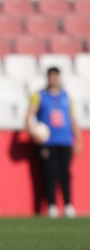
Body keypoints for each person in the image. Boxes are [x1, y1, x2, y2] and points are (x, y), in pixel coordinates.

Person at [26, 67, 83, 218]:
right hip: (47, 142)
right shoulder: (39, 95)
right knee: (49, 174)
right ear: (47, 78)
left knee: (65, 174)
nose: (53, 80)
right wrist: (33, 134)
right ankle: (51, 206)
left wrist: (78, 139)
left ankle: (68, 206)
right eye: (50, 77)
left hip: (65, 140)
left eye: (55, 77)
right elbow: (29, 117)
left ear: (59, 78)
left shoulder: (66, 96)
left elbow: (72, 119)